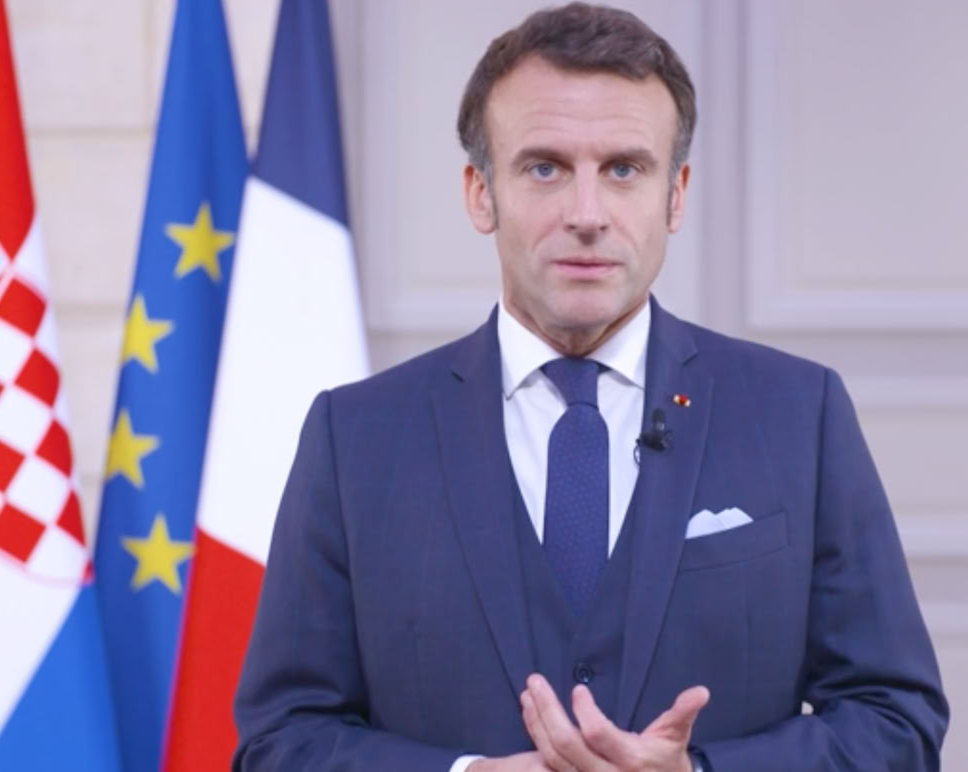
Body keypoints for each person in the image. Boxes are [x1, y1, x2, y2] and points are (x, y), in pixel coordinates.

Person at [232, 4, 949, 770]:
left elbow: (896, 722)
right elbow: (281, 739)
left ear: (676, 195)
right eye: (544, 168)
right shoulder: (354, 438)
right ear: (480, 193)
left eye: (624, 170)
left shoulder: (801, 416)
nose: (586, 214)